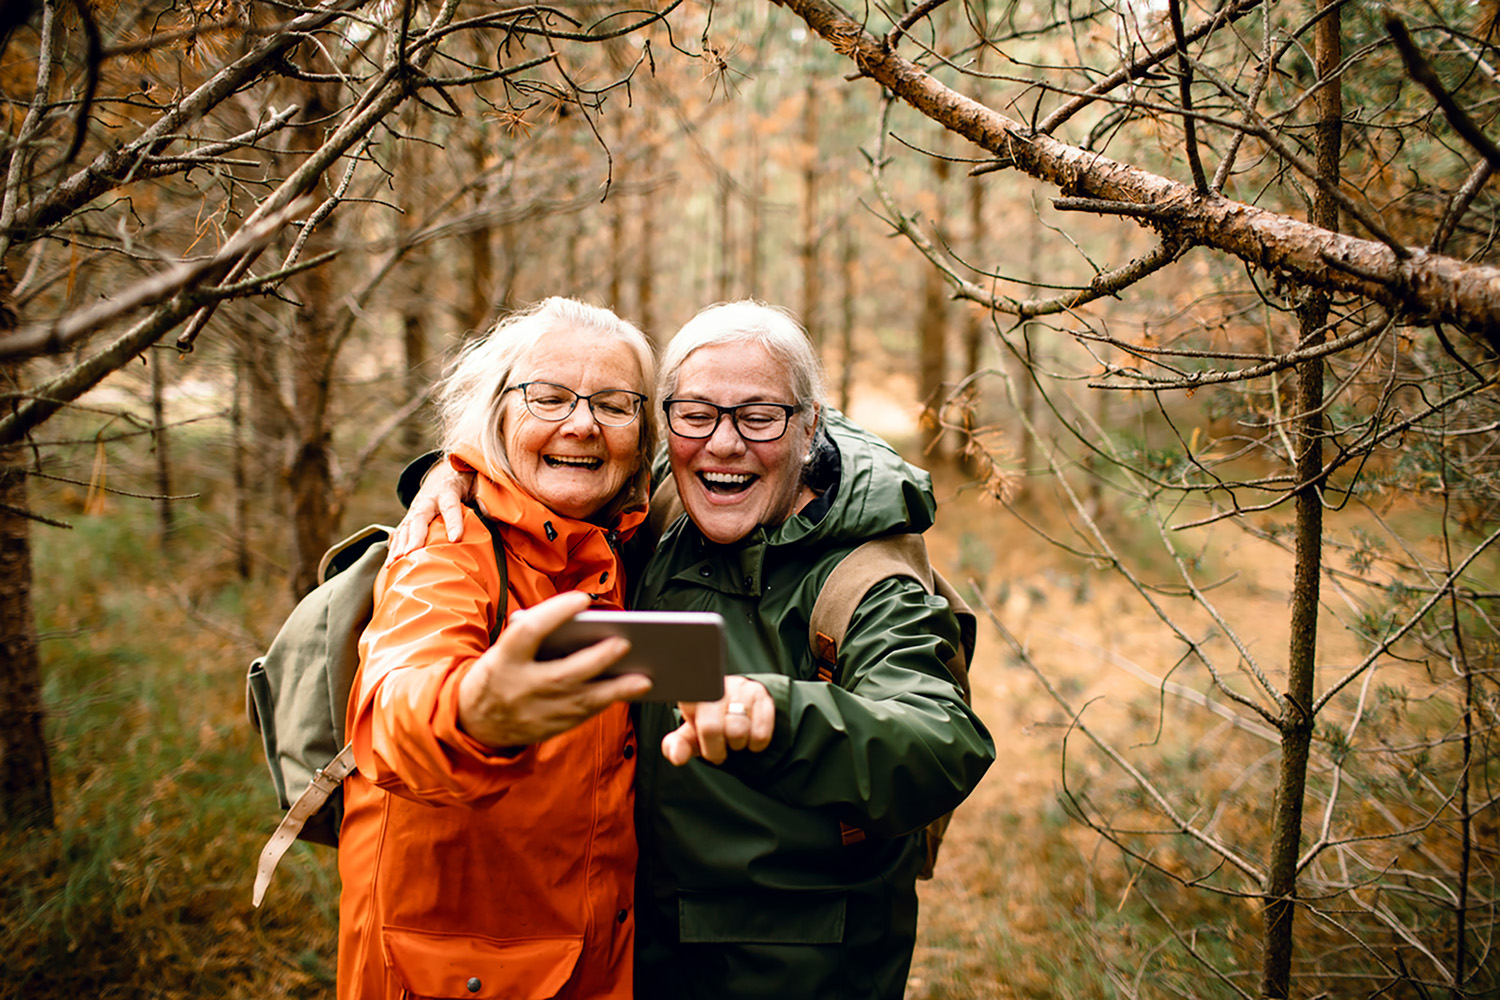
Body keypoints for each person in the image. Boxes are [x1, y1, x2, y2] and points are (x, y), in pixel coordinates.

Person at [402, 300, 995, 1000]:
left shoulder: (865, 578)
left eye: (759, 417)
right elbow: (548, 462)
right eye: (697, 415)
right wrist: (453, 474)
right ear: (667, 424)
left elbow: (941, 740)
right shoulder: (655, 513)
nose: (723, 443)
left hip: (795, 970)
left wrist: (778, 714)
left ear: (809, 426)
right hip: (631, 954)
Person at [338, 297, 658, 1000]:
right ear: (498, 414)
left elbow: (771, 421)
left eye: (614, 404)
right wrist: (475, 712)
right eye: (548, 397)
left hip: (589, 960)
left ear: (644, 432)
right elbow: (395, 708)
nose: (581, 423)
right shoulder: (448, 546)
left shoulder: (634, 541)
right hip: (449, 974)